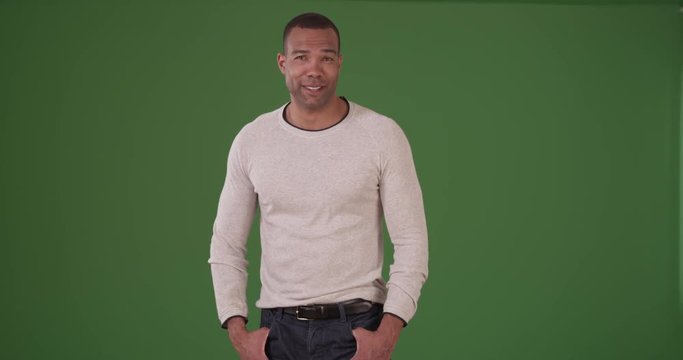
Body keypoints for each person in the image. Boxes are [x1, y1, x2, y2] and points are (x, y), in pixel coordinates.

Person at [208, 12, 428, 360]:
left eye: (326, 58)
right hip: (276, 334)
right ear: (282, 63)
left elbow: (412, 241)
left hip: (357, 330)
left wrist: (388, 333)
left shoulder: (382, 135)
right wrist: (238, 332)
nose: (314, 70)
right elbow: (226, 244)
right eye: (301, 58)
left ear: (339, 63)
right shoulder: (253, 140)